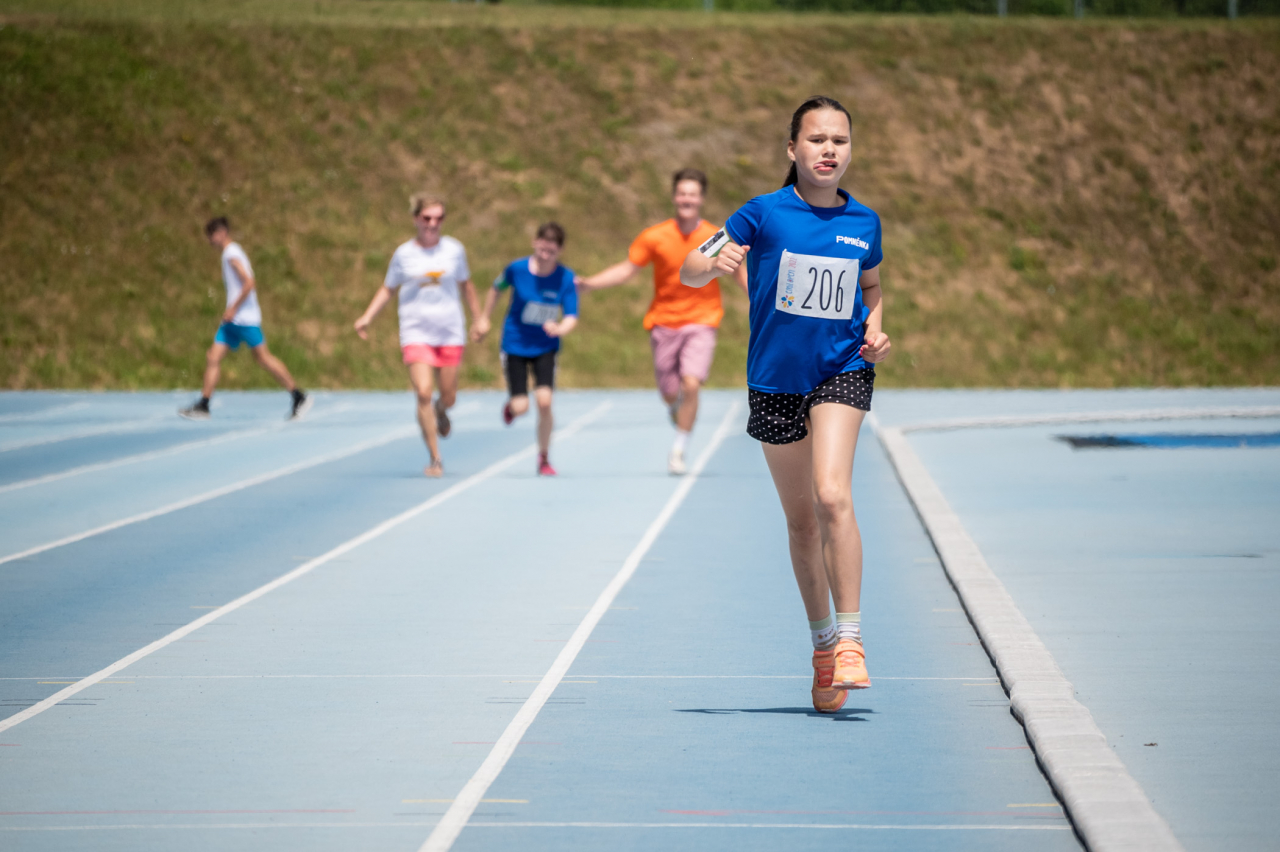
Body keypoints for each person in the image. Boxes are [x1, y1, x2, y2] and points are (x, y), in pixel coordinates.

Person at [680, 97, 892, 714]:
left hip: (841, 370)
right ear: (792, 149)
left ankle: (850, 640)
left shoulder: (865, 222)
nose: (829, 150)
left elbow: (871, 285)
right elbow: (692, 267)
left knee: (832, 494)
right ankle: (823, 647)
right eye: (817, 139)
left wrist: (876, 329)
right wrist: (712, 263)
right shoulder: (761, 213)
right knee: (802, 523)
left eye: (840, 141)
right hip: (774, 381)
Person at [578, 168, 743, 476]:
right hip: (664, 322)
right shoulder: (655, 236)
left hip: (702, 319)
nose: (686, 199)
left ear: (701, 199)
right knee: (670, 393)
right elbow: (627, 269)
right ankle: (675, 409)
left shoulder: (714, 237)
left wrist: (764, 301)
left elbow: (740, 274)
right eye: (682, 193)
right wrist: (589, 284)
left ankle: (679, 449)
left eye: (692, 194)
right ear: (674, 197)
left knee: (691, 384)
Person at [354, 193, 481, 477]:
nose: (432, 224)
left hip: (449, 332)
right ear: (415, 219)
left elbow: (467, 286)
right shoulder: (404, 254)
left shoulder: (454, 250)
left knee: (448, 396)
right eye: (427, 218)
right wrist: (367, 317)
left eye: (438, 218)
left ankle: (441, 409)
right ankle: (435, 459)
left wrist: (479, 319)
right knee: (423, 391)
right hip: (416, 331)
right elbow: (388, 288)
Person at [473, 222, 578, 476]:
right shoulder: (517, 269)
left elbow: (571, 315)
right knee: (522, 407)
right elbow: (496, 289)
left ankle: (544, 457)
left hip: (545, 346)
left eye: (551, 252)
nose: (545, 256)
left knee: (545, 402)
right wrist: (484, 318)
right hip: (516, 344)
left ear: (560, 251)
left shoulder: (565, 278)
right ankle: (511, 407)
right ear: (535, 243)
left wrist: (560, 328)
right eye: (542, 249)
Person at [179, 218, 310, 421]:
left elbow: (249, 283)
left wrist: (233, 308)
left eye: (211, 236)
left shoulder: (231, 254)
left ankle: (298, 395)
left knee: (264, 358)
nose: (209, 241)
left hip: (244, 319)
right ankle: (203, 405)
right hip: (233, 322)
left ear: (221, 233)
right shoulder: (232, 252)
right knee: (213, 357)